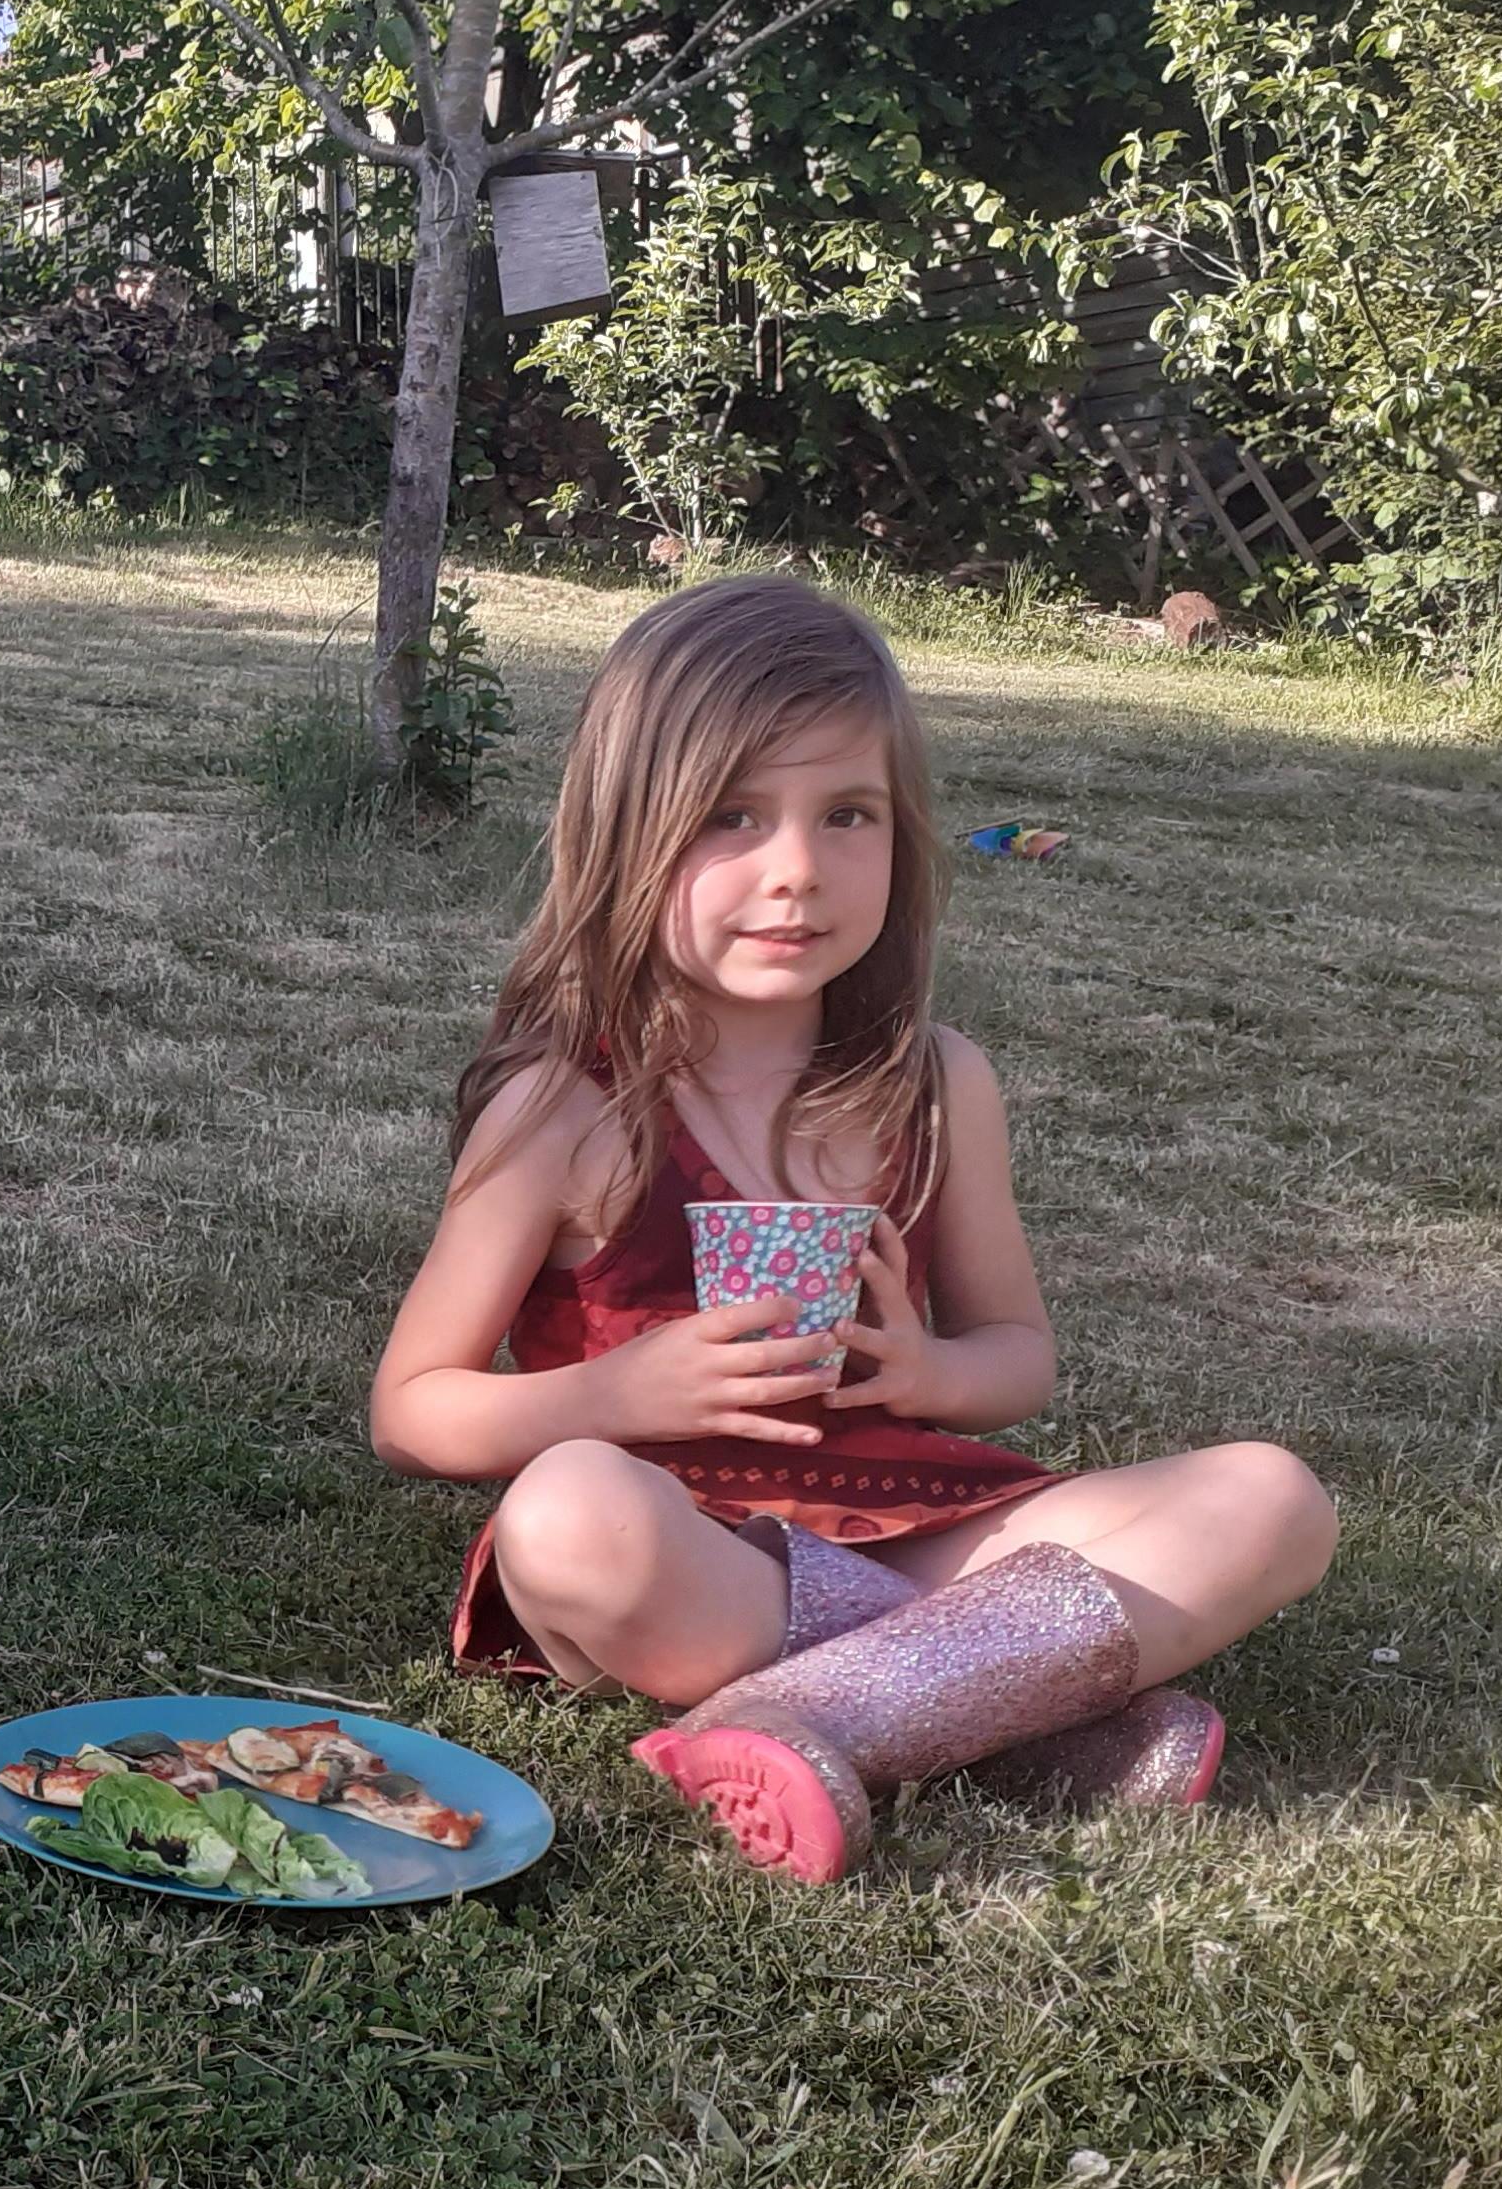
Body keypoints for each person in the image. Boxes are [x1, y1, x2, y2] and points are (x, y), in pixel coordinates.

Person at [367, 578, 1337, 1884]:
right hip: (688, 1549)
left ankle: (812, 1722)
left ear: (902, 833)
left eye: (848, 814)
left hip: (911, 1528)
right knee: (565, 1516)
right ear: (623, 832)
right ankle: (1009, 1707)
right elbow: (411, 1408)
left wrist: (929, 1373)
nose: (798, 870)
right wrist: (613, 1393)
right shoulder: (563, 1109)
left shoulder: (936, 1087)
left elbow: (1016, 1355)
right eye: (732, 816)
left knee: (1271, 1500)